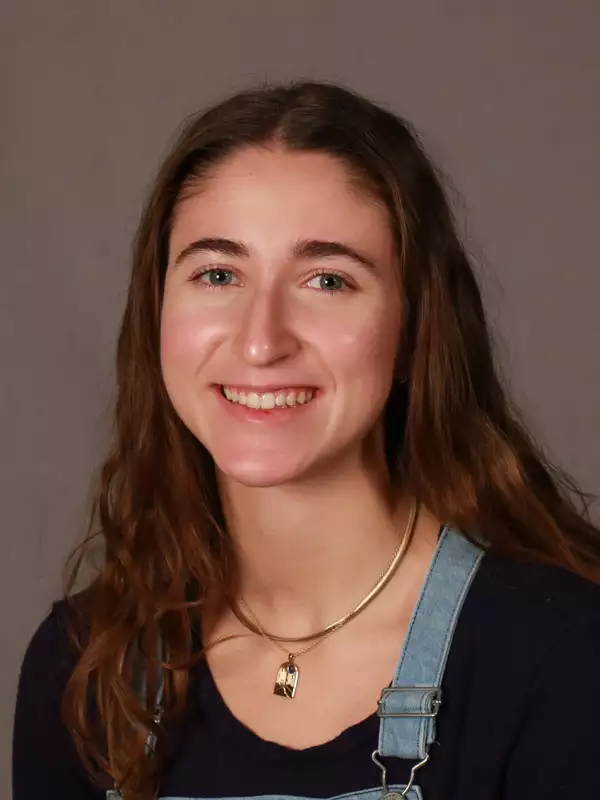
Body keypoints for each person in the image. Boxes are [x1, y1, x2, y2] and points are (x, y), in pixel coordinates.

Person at [12, 80, 600, 800]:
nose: (261, 342)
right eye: (218, 273)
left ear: (416, 331)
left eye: (327, 280)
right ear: (158, 312)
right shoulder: (83, 666)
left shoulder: (564, 657)